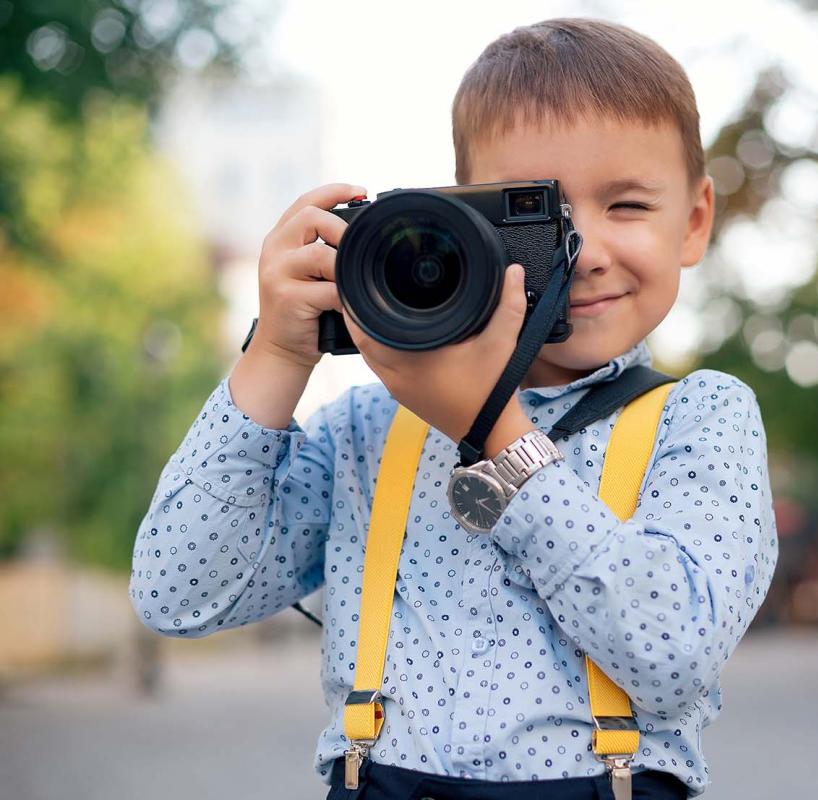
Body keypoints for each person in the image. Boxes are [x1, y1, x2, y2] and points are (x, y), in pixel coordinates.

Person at [129, 17, 778, 799]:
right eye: (542, 213)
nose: (587, 250)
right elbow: (177, 593)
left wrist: (491, 431)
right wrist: (275, 355)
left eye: (629, 206)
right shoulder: (370, 429)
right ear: (468, 218)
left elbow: (674, 655)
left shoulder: (702, 419)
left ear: (695, 220)